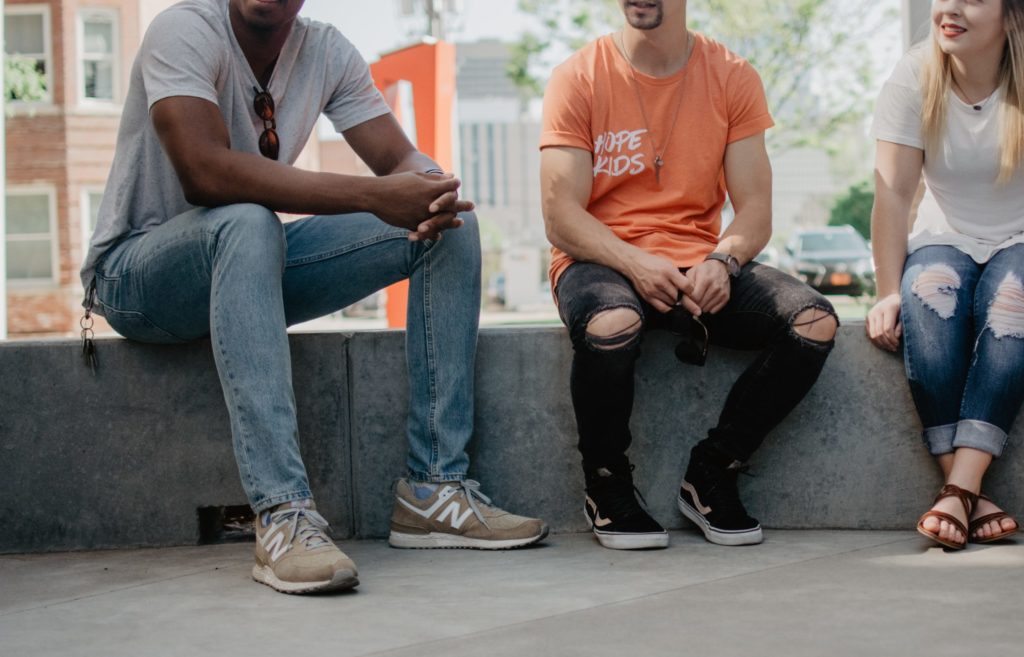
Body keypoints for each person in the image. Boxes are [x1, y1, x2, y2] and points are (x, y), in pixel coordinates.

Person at [80, 0, 547, 595]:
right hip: (137, 280)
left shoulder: (324, 50)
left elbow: (397, 159)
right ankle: (282, 514)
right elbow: (204, 173)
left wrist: (431, 189)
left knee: (450, 228)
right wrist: (372, 196)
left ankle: (434, 490)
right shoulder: (185, 29)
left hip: (249, 262)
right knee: (248, 220)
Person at [539, 0, 838, 550]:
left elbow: (755, 210)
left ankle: (713, 470)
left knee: (812, 322)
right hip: (600, 261)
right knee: (611, 324)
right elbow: (561, 216)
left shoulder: (732, 75)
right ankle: (606, 483)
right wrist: (633, 261)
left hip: (699, 261)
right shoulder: (578, 77)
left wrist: (724, 260)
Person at [867, 0, 1023, 550]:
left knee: (1012, 305)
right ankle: (968, 493)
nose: (949, 9)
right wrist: (888, 291)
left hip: (1021, 238)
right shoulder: (915, 75)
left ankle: (958, 489)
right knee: (925, 302)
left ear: (1010, 15)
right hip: (944, 234)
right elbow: (893, 194)